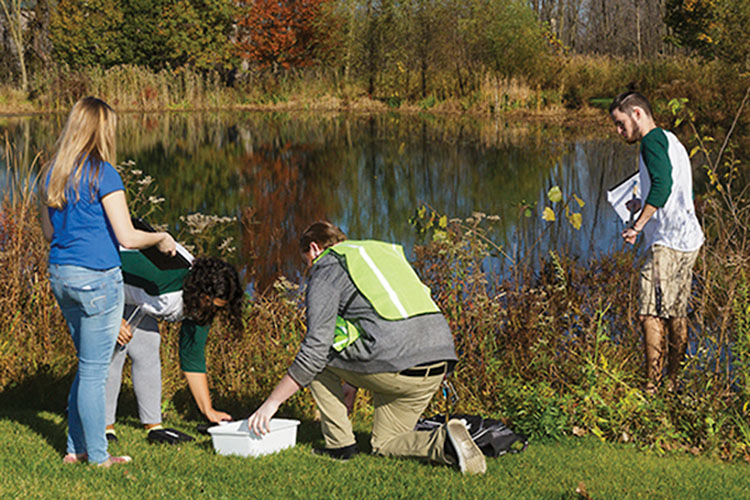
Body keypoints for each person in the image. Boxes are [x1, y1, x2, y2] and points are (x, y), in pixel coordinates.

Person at [247, 221, 486, 474]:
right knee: (386, 443)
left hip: (395, 363)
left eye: (306, 261)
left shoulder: (327, 266)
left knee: (316, 362)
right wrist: (351, 383)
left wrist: (271, 404)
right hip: (439, 362)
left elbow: (315, 350)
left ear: (314, 248)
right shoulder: (380, 255)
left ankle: (339, 445)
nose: (309, 268)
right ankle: (445, 442)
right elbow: (375, 321)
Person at [40, 96, 176, 466]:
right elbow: (128, 237)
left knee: (87, 363)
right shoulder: (104, 174)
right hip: (98, 278)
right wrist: (161, 237)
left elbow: (50, 233)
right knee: (95, 371)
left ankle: (74, 450)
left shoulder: (52, 172)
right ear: (103, 130)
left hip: (62, 275)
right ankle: (99, 456)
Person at [609, 91, 704, 394]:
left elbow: (662, 187)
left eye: (621, 123)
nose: (619, 131)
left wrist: (637, 226)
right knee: (675, 312)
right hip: (686, 237)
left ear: (637, 113)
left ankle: (651, 387)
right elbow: (678, 190)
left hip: (668, 242)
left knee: (649, 313)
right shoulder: (669, 139)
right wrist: (643, 204)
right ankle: (672, 384)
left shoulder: (651, 142)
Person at [105, 252, 243, 443]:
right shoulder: (160, 277)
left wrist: (208, 410)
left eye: (218, 308)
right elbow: (101, 265)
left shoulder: (201, 305)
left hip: (136, 296)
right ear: (200, 292)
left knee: (147, 346)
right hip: (104, 286)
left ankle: (154, 426)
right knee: (114, 350)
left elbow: (192, 354)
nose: (212, 312)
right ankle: (103, 426)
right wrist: (112, 317)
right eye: (211, 305)